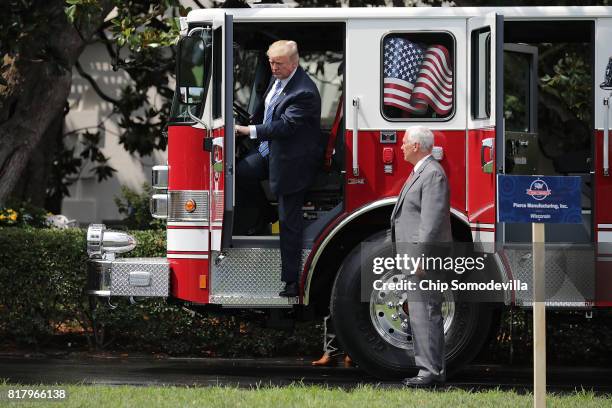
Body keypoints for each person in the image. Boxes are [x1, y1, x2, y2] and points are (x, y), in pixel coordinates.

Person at [235, 40, 322, 298]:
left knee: (289, 223)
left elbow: (285, 126)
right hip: (269, 152)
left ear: (294, 64)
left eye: (278, 63)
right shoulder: (279, 78)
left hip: (291, 163)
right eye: (270, 62)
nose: (272, 67)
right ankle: (265, 213)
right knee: (240, 173)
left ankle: (291, 281)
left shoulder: (304, 92)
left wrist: (247, 131)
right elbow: (266, 110)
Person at [390, 126, 452, 387]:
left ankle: (430, 373)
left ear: (416, 146)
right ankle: (430, 370)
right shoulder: (422, 172)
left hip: (423, 259)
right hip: (415, 256)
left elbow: (431, 220)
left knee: (425, 313)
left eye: (404, 142)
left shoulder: (432, 174)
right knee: (419, 313)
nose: (400, 146)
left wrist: (420, 256)